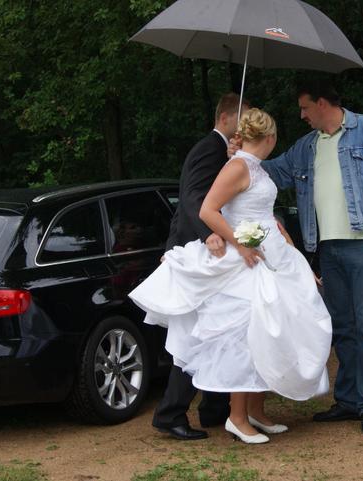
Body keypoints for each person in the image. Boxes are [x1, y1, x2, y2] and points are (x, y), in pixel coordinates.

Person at [130, 108, 332, 445]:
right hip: (247, 256)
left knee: (275, 328)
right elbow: (207, 209)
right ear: (271, 137)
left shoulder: (254, 166)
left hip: (271, 250)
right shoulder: (237, 166)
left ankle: (255, 411)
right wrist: (240, 243)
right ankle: (236, 418)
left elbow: (266, 215)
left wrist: (291, 249)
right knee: (248, 333)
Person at [259, 80, 363, 434]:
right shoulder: (306, 146)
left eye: (305, 107)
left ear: (322, 103)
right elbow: (274, 172)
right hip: (326, 248)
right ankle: (347, 400)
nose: (302, 115)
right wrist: (242, 155)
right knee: (341, 327)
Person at [150, 93, 248, 441]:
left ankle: (214, 407)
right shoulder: (209, 148)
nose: (245, 124)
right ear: (225, 118)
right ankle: (171, 412)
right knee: (198, 333)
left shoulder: (222, 151)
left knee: (215, 329)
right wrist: (208, 235)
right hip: (200, 251)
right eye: (242, 117)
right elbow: (193, 198)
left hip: (206, 251)